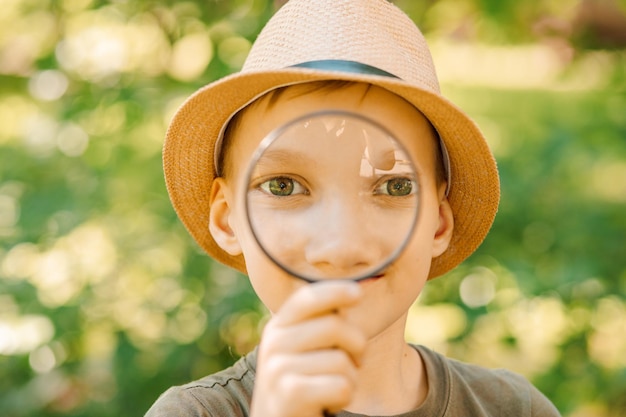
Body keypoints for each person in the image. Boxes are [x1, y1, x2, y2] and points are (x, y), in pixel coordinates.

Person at [146, 0, 561, 416]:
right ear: (227, 218)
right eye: (283, 185)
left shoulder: (512, 409)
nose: (341, 246)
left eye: (394, 186)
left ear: (437, 223)